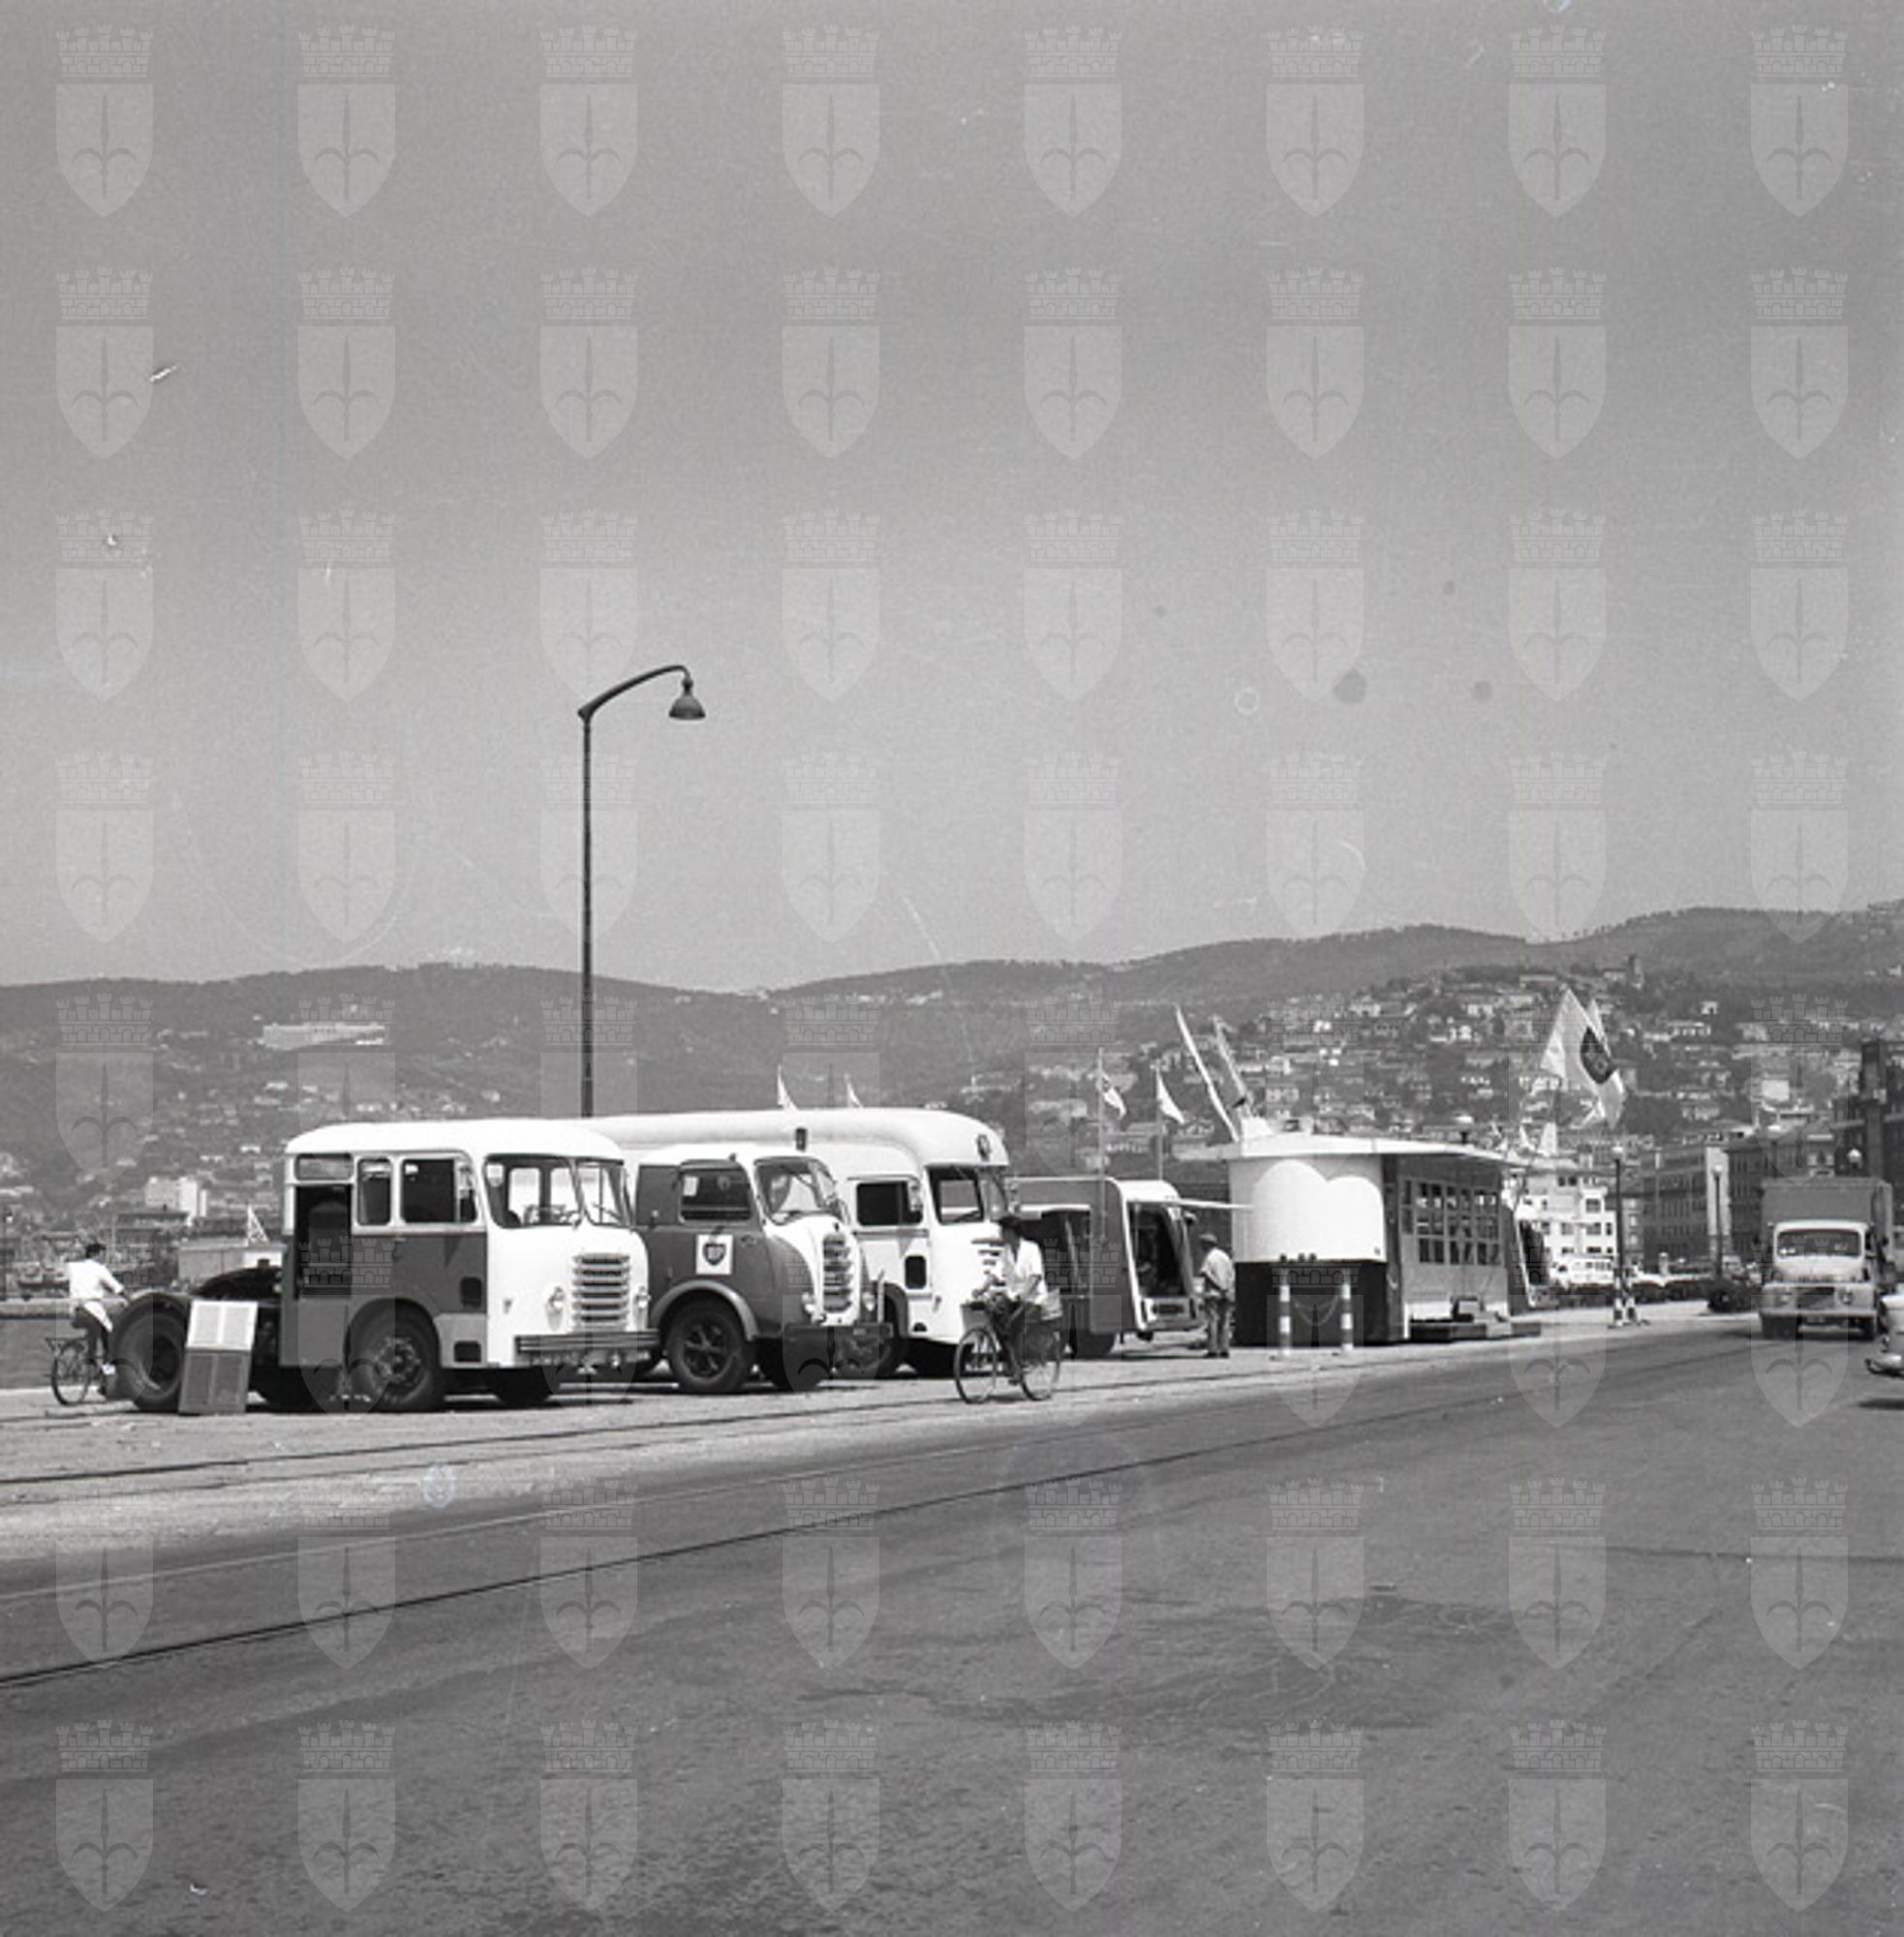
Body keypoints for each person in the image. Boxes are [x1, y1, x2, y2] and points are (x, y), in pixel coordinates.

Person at [986, 1212, 1049, 1359]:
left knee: (1016, 1323)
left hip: (1032, 1298)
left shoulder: (1032, 1249)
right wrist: (981, 1288)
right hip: (1013, 1297)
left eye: (1003, 1231)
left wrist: (1024, 1294)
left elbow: (1035, 1276)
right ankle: (1009, 1354)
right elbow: (996, 1272)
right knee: (995, 1314)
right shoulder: (1006, 1251)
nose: (1000, 1234)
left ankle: (1018, 1362)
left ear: (1011, 1232)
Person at [66, 1240, 126, 1363]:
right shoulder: (100, 1269)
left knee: (93, 1336)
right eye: (102, 1255)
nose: (104, 1259)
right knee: (110, 1337)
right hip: (91, 1311)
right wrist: (131, 1299)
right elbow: (118, 1288)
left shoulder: (74, 1267)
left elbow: (81, 1282)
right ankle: (106, 1368)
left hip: (75, 1312)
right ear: (95, 1255)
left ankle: (90, 1359)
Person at [1196, 1231, 1236, 1358]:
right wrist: (1227, 1287)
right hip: (1227, 1294)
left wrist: (1219, 1286)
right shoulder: (1225, 1257)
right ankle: (1225, 1349)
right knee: (1225, 1322)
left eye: (1202, 1244)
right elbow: (1232, 1275)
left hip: (1213, 1294)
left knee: (1212, 1322)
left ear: (1207, 1244)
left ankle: (1213, 1350)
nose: (1201, 1247)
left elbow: (1206, 1273)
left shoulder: (1209, 1257)